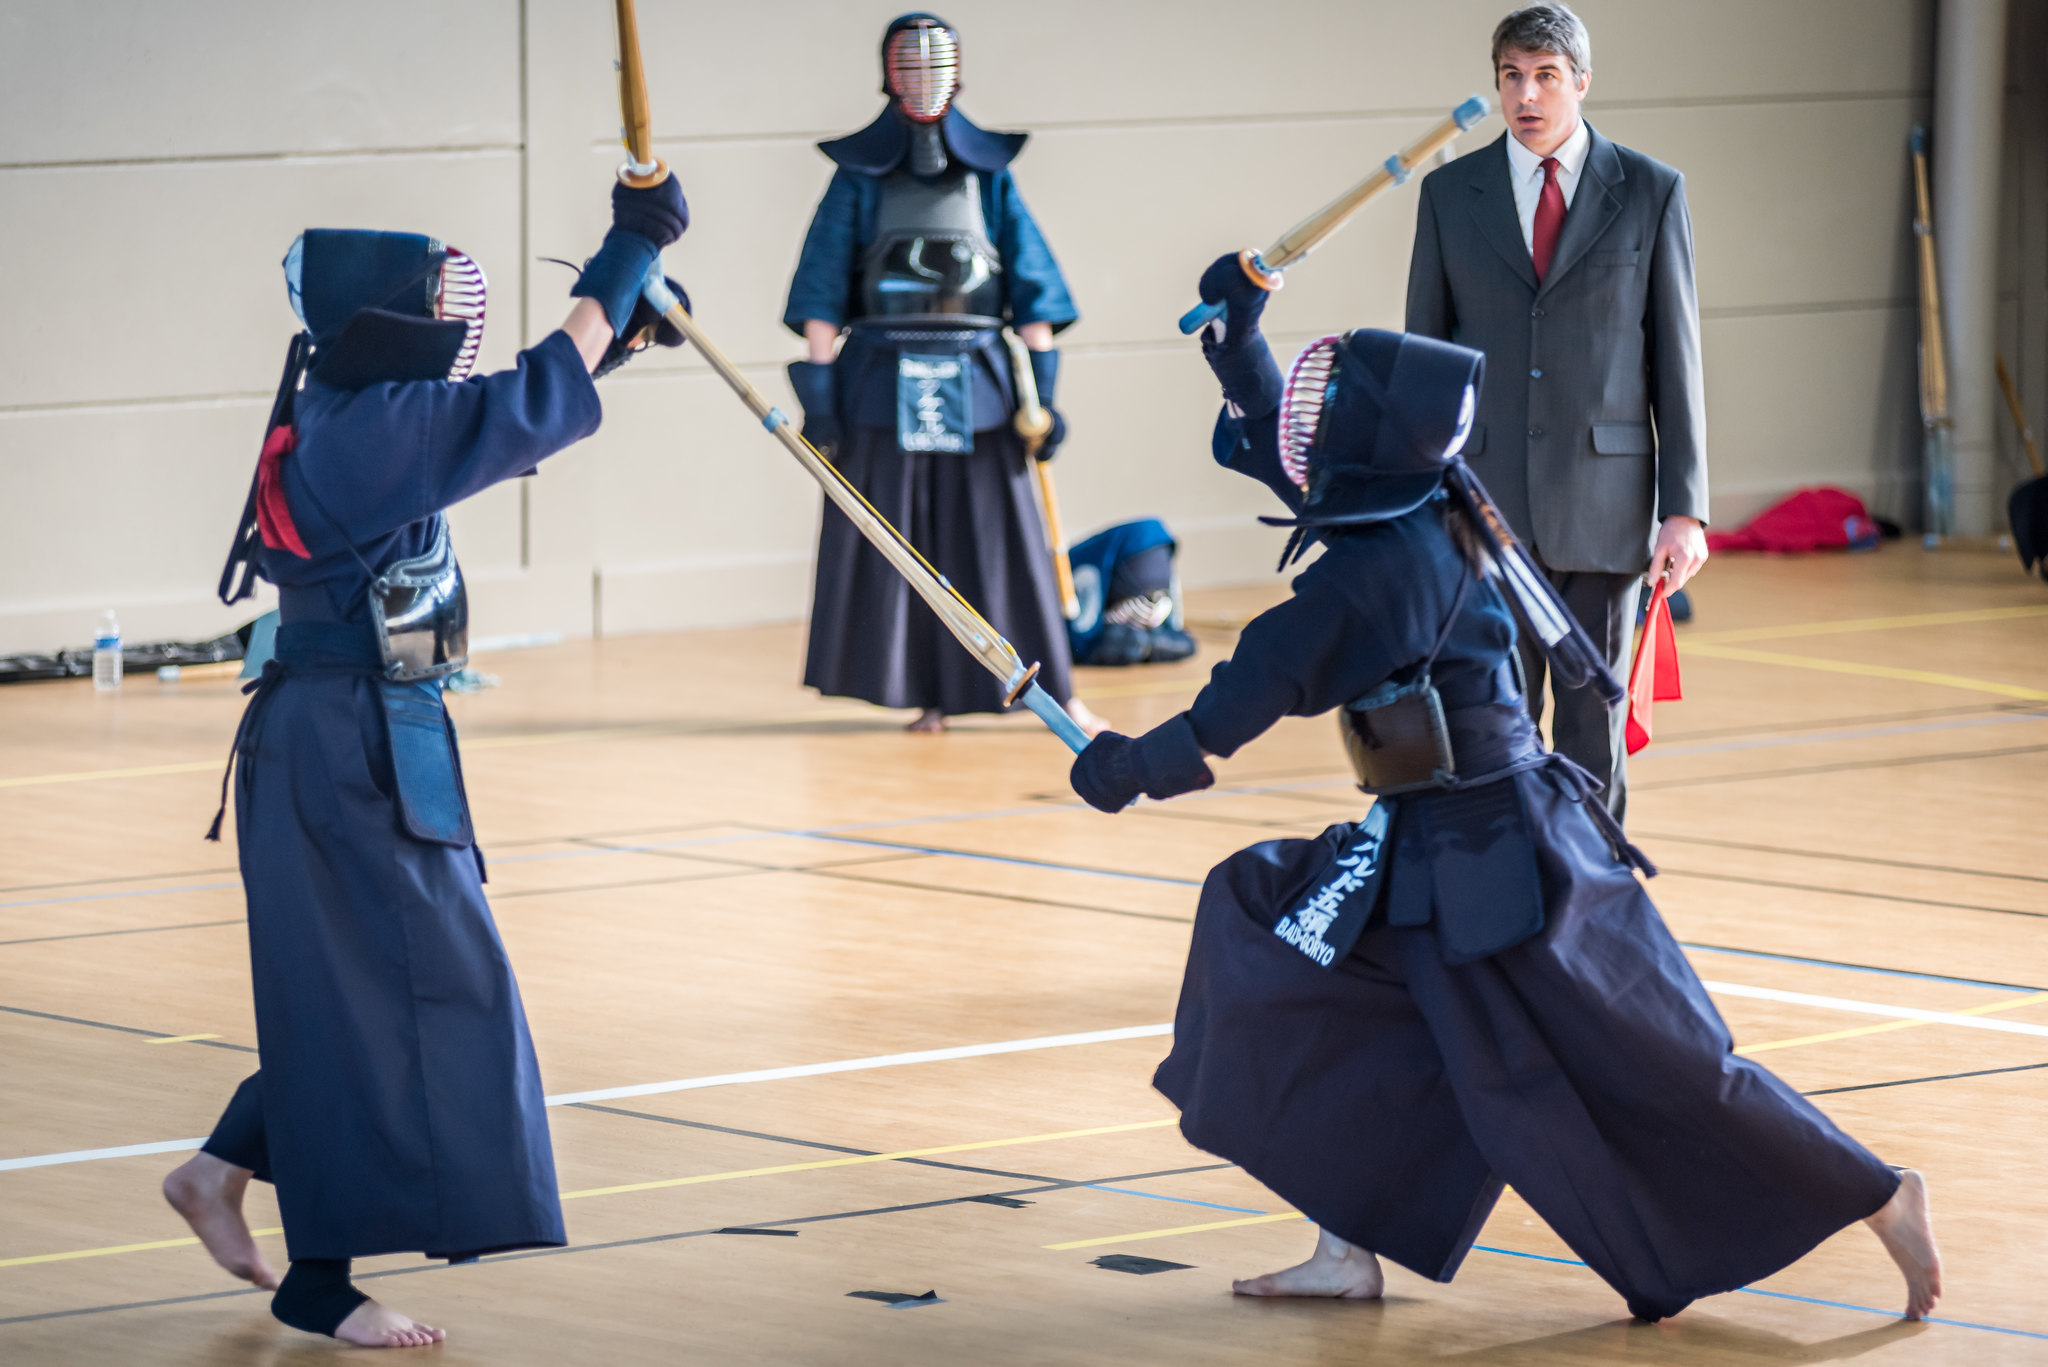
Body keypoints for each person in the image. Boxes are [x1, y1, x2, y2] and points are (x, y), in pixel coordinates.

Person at [1065, 256, 1943, 1324]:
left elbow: (1225, 714)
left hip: (1505, 863)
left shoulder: (1369, 573)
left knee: (1663, 1061)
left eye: (1326, 404)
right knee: (1320, 976)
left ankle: (1874, 1188)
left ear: (1370, 442)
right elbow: (1302, 471)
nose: (1310, 424)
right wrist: (1244, 346)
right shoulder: (1432, 498)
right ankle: (1345, 1246)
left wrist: (1119, 766)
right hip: (1433, 849)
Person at [160, 176, 691, 1347]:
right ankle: (318, 1276)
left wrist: (623, 329)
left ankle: (219, 1170)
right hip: (343, 741)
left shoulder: (353, 407)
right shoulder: (372, 429)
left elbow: (508, 410)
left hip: (351, 733)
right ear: (394, 321)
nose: (459, 325)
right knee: (419, 991)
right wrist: (630, 247)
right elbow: (534, 393)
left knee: (356, 993)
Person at [1406, 2, 1707, 821]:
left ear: (1580, 82)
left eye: (1545, 77)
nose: (1526, 95)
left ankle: (1592, 904)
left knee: (1588, 725)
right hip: (1483, 508)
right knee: (1489, 723)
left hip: (1602, 509)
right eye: (1512, 77)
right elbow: (1425, 363)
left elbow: (1676, 362)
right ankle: (1498, 901)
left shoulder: (1650, 191)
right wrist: (1419, 500)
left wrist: (1685, 510)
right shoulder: (1446, 196)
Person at [783, 12, 1097, 734]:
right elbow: (824, 296)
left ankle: (1041, 686)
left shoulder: (991, 178)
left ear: (956, 75)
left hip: (982, 377)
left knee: (997, 533)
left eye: (935, 65)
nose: (923, 79)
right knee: (894, 534)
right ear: (888, 76)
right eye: (910, 65)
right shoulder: (856, 182)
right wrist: (822, 401)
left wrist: (1042, 399)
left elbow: (1032, 290)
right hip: (878, 373)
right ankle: (915, 686)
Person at [1065, 518, 1198, 667]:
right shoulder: (1080, 564)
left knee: (1111, 641)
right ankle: (1142, 640)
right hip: (1152, 547)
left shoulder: (1082, 562)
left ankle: (1139, 641)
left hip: (1136, 559)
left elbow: (1081, 634)